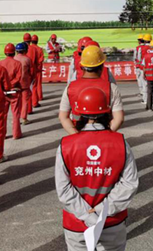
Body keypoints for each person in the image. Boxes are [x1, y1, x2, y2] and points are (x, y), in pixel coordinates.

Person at [55, 87, 139, 250]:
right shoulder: (121, 143)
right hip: (111, 223)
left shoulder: (66, 145)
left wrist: (87, 215)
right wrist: (101, 211)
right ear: (107, 112)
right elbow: (130, 184)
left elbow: (63, 189)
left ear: (78, 114)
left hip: (76, 224)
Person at [59, 45, 124, 135]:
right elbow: (119, 118)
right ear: (102, 66)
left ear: (82, 66)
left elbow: (63, 117)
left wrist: (76, 135)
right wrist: (105, 134)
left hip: (77, 134)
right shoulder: (111, 87)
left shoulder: (70, 88)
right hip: (104, 135)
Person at [0, 43, 24, 142]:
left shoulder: (0, 63)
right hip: (14, 91)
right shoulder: (17, 64)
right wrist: (11, 85)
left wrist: (5, 86)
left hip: (4, 92)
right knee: (16, 113)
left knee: (3, 114)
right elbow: (18, 77)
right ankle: (16, 134)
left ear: (5, 52)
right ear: (14, 52)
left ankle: (3, 134)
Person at [14, 42, 34, 125]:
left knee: (16, 102)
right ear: (25, 50)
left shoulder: (14, 59)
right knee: (25, 101)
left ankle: (16, 118)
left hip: (15, 84)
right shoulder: (27, 59)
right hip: (25, 83)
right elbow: (31, 72)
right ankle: (24, 118)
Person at [142, 39, 153, 111]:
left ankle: (149, 107)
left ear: (150, 47)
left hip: (149, 76)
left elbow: (144, 66)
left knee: (149, 92)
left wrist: (144, 74)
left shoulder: (146, 56)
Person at [136, 33, 152, 104]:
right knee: (152, 85)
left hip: (143, 68)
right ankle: (152, 99)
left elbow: (138, 58)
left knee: (144, 84)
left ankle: (145, 100)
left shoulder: (141, 48)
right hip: (152, 68)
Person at [30, 34, 45, 108]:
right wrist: (38, 64)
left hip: (30, 69)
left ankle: (34, 100)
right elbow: (41, 59)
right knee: (38, 84)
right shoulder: (39, 49)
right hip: (38, 68)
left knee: (32, 86)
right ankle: (39, 96)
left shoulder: (29, 49)